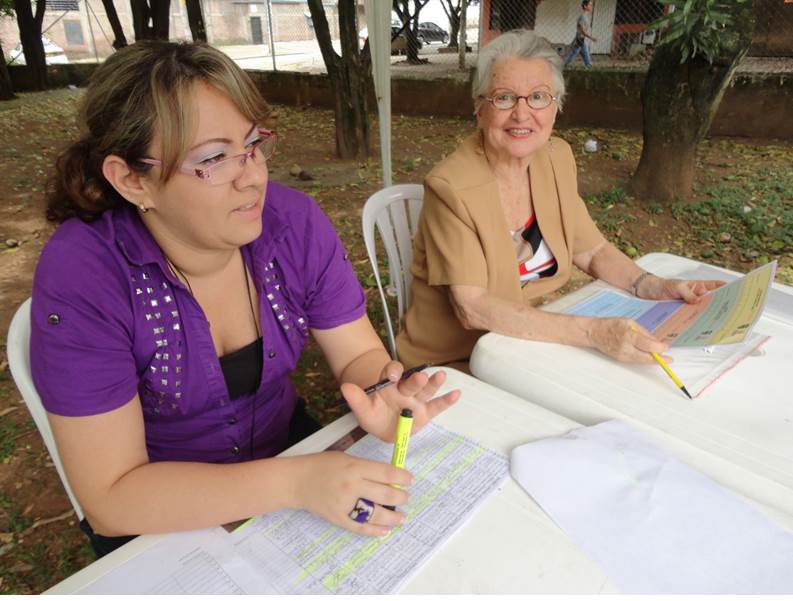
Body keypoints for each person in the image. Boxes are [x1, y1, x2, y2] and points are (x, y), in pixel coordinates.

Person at [30, 40, 459, 557]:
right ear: (131, 180)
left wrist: (380, 390)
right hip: (163, 513)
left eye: (253, 143)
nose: (253, 175)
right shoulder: (87, 277)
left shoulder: (292, 225)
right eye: (212, 158)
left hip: (293, 454)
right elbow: (112, 497)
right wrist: (293, 483)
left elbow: (357, 353)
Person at [396, 30, 723, 371]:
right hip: (456, 362)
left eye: (538, 96)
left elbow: (592, 250)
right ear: (480, 108)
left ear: (556, 106)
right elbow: (472, 307)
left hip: (519, 346)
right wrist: (594, 332)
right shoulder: (451, 187)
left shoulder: (555, 158)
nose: (522, 114)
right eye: (505, 98)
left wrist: (655, 286)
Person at [563, 0, 597, 69]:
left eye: (591, 5)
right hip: (579, 39)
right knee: (574, 53)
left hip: (582, 39)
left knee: (582, 52)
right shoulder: (582, 17)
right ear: (585, 6)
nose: (591, 6)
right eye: (590, 5)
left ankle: (588, 65)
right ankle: (565, 64)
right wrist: (592, 38)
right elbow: (583, 31)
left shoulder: (586, 17)